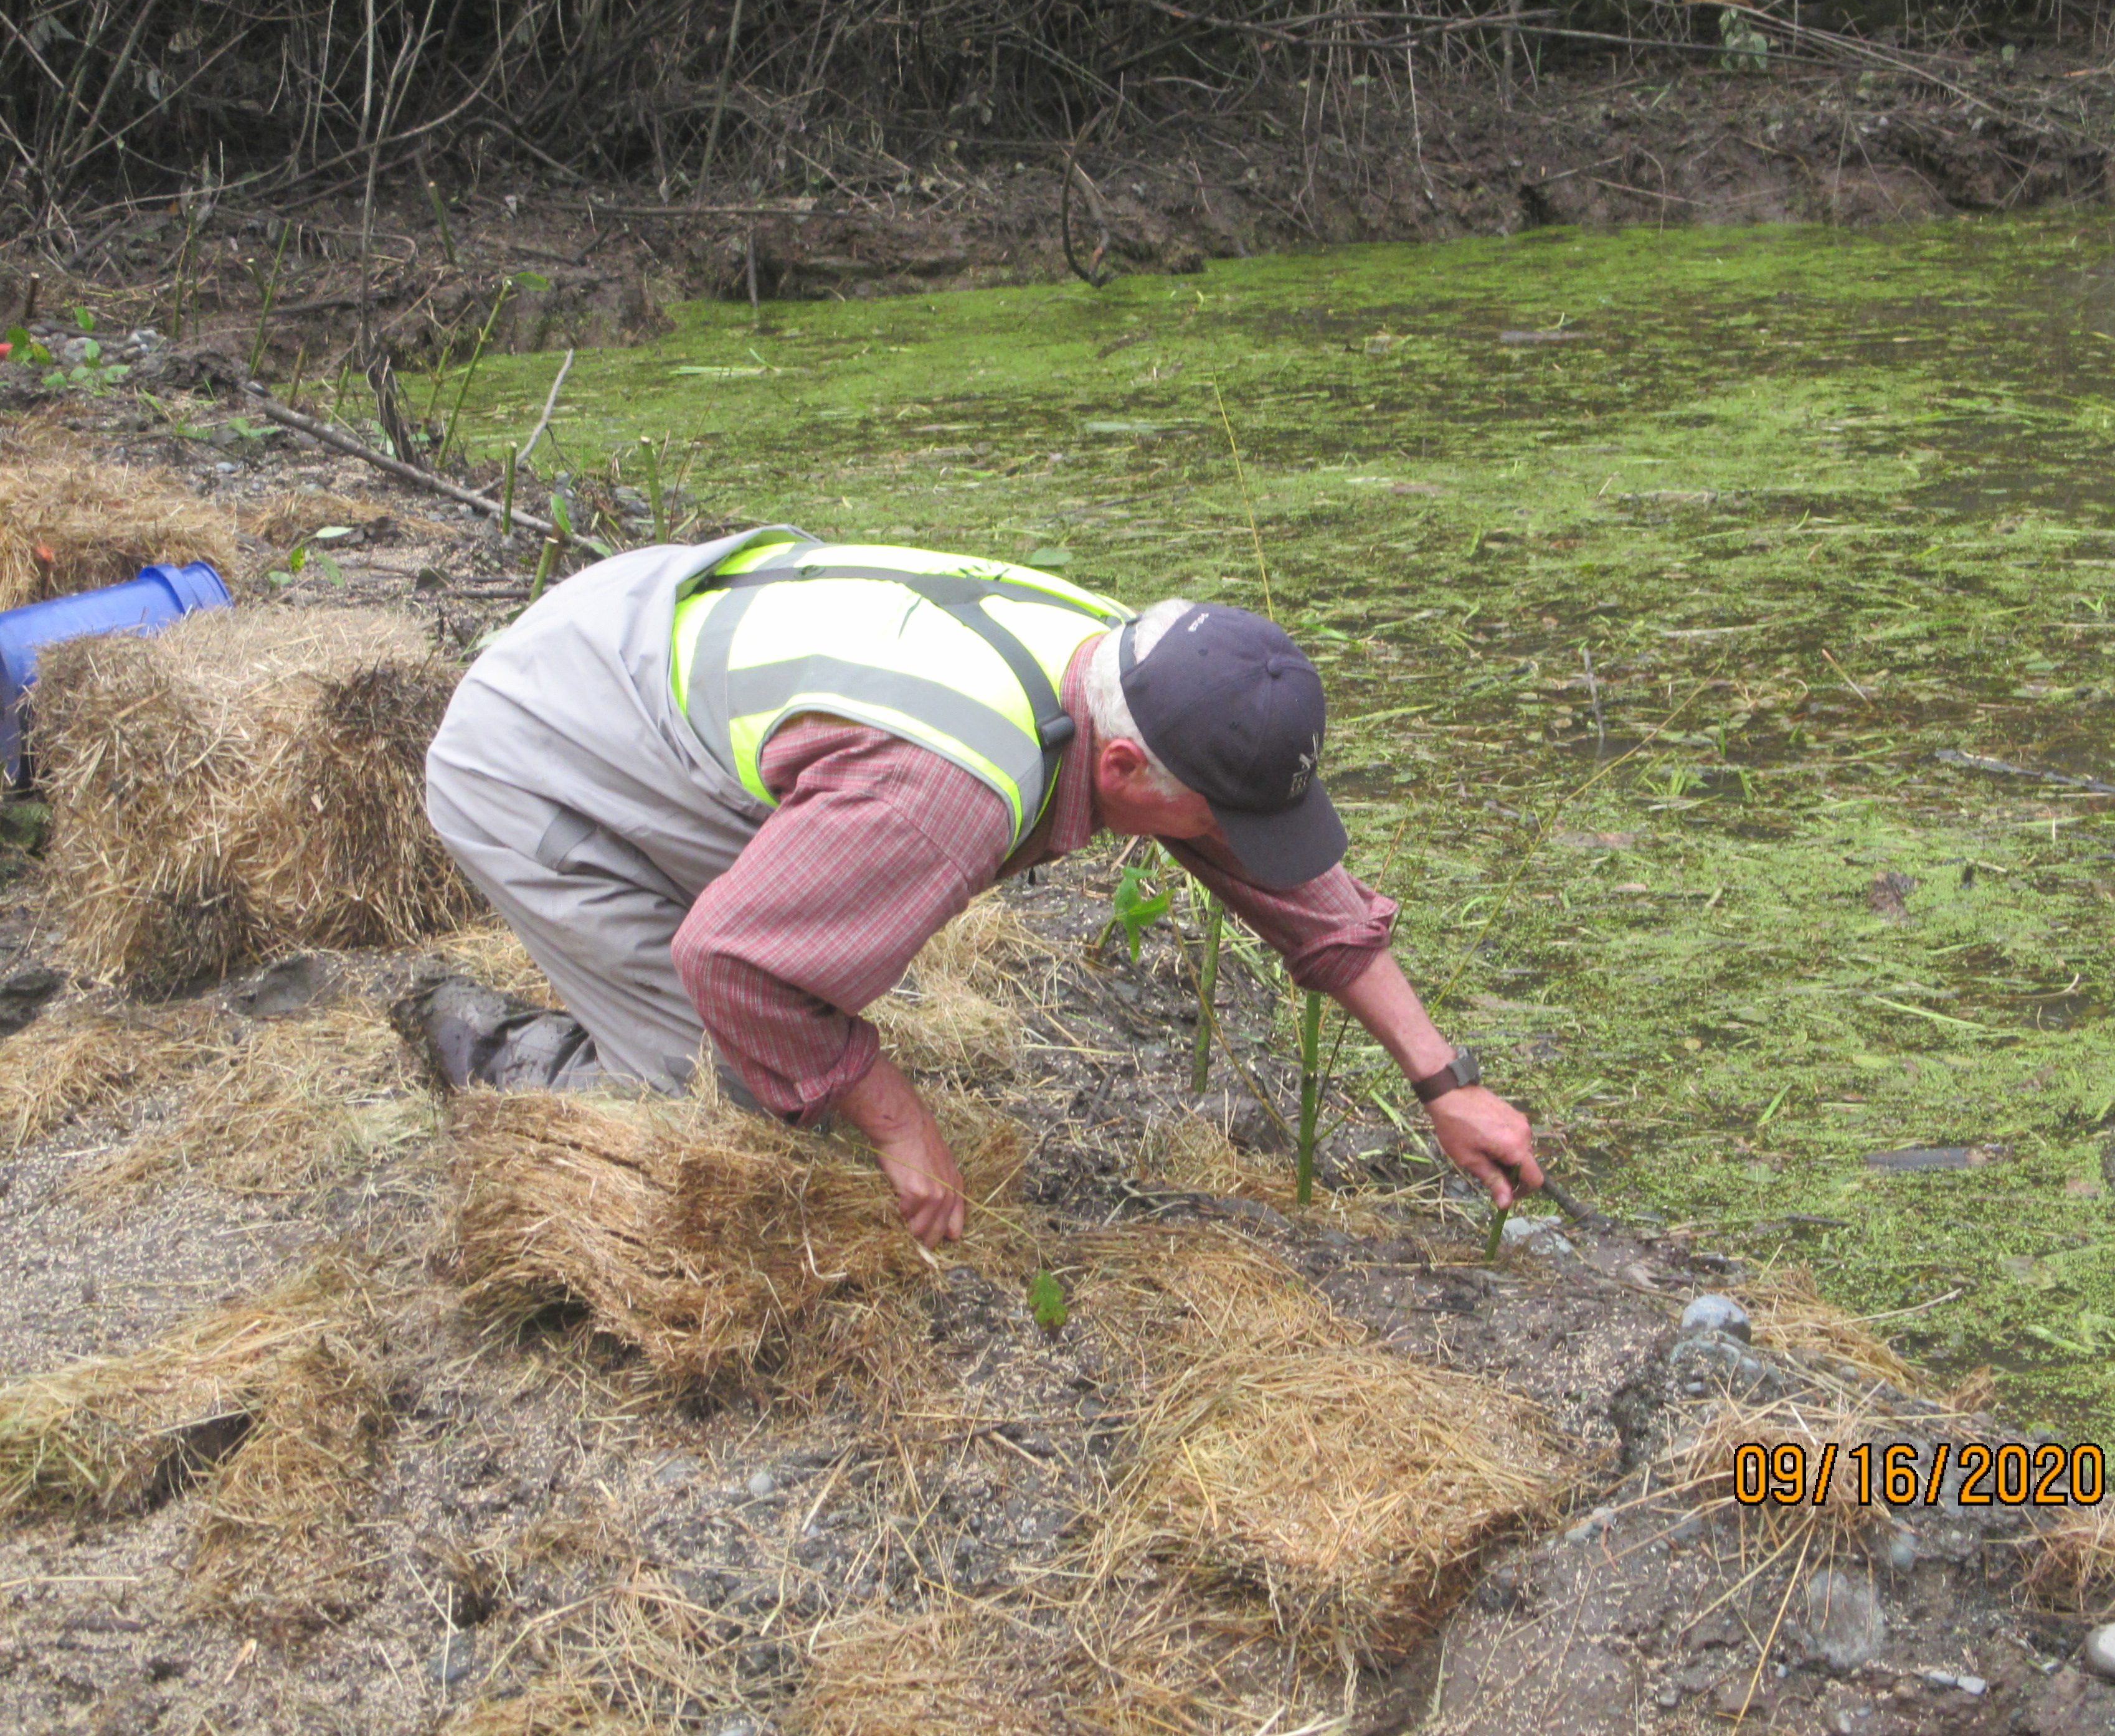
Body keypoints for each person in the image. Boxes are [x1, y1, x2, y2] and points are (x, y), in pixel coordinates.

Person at [409, 529, 1542, 1242]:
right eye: (1222, 820)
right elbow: (733, 961)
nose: (1236, 847)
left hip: (648, 646)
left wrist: (1444, 1079)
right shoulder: (952, 793)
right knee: (736, 1100)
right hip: (539, 753)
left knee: (793, 1016)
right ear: (1123, 771)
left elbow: (1287, 889)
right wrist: (902, 1128)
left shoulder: (1135, 671)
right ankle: (491, 1047)